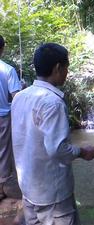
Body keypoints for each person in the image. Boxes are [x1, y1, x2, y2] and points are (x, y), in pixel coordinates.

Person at [11, 43, 94, 225]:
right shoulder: (53, 102)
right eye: (66, 67)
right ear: (58, 68)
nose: (67, 72)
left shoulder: (19, 97)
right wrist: (83, 152)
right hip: (54, 196)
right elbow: (57, 149)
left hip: (28, 188)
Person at [0, 35, 22, 201]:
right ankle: (1, 188)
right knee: (4, 153)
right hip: (3, 117)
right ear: (2, 48)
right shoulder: (8, 70)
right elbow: (17, 98)